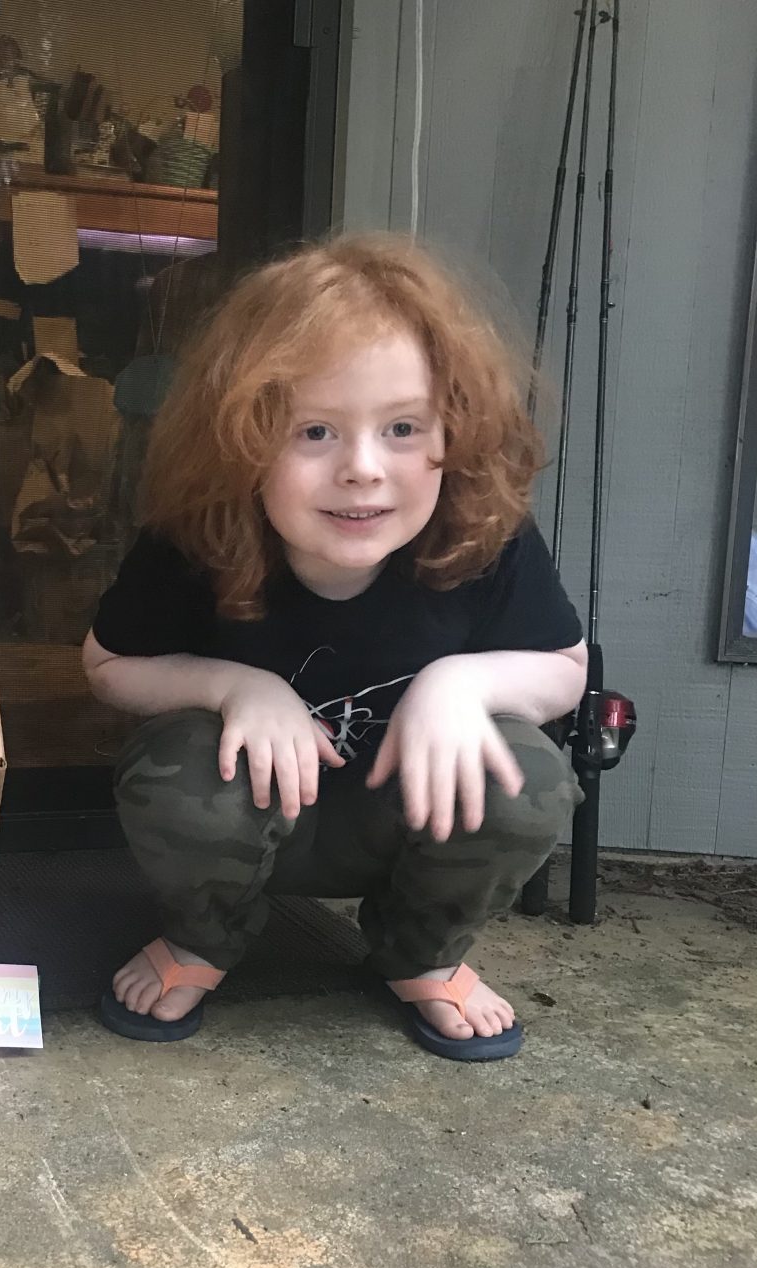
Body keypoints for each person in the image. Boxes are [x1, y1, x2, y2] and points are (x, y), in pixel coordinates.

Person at [82, 234, 587, 1062]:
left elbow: (566, 670)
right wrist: (234, 687)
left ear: (455, 427)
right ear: (241, 437)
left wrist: (461, 684)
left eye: (402, 427)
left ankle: (421, 951)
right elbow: (106, 666)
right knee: (177, 768)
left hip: (406, 820)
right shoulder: (197, 536)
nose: (362, 468)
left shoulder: (483, 534)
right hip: (247, 818)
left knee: (527, 773)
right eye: (314, 430)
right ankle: (204, 937)